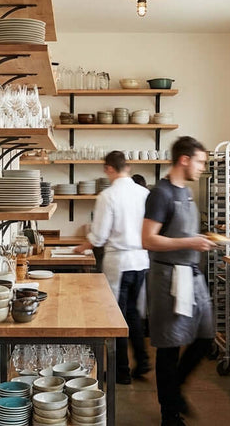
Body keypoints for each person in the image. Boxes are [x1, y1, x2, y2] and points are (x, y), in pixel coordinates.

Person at [141, 136, 218, 426]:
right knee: (169, 347)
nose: (202, 167)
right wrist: (190, 242)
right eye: (199, 161)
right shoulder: (159, 193)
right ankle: (169, 414)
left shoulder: (185, 192)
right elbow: (147, 239)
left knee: (205, 337)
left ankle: (175, 391)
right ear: (184, 160)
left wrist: (200, 242)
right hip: (169, 279)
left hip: (192, 274)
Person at [74, 151, 151, 384]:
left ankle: (122, 371)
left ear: (109, 168)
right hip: (141, 260)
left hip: (119, 262)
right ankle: (143, 360)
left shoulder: (108, 196)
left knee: (115, 317)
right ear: (127, 167)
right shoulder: (145, 193)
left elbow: (99, 236)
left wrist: (83, 246)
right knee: (133, 314)